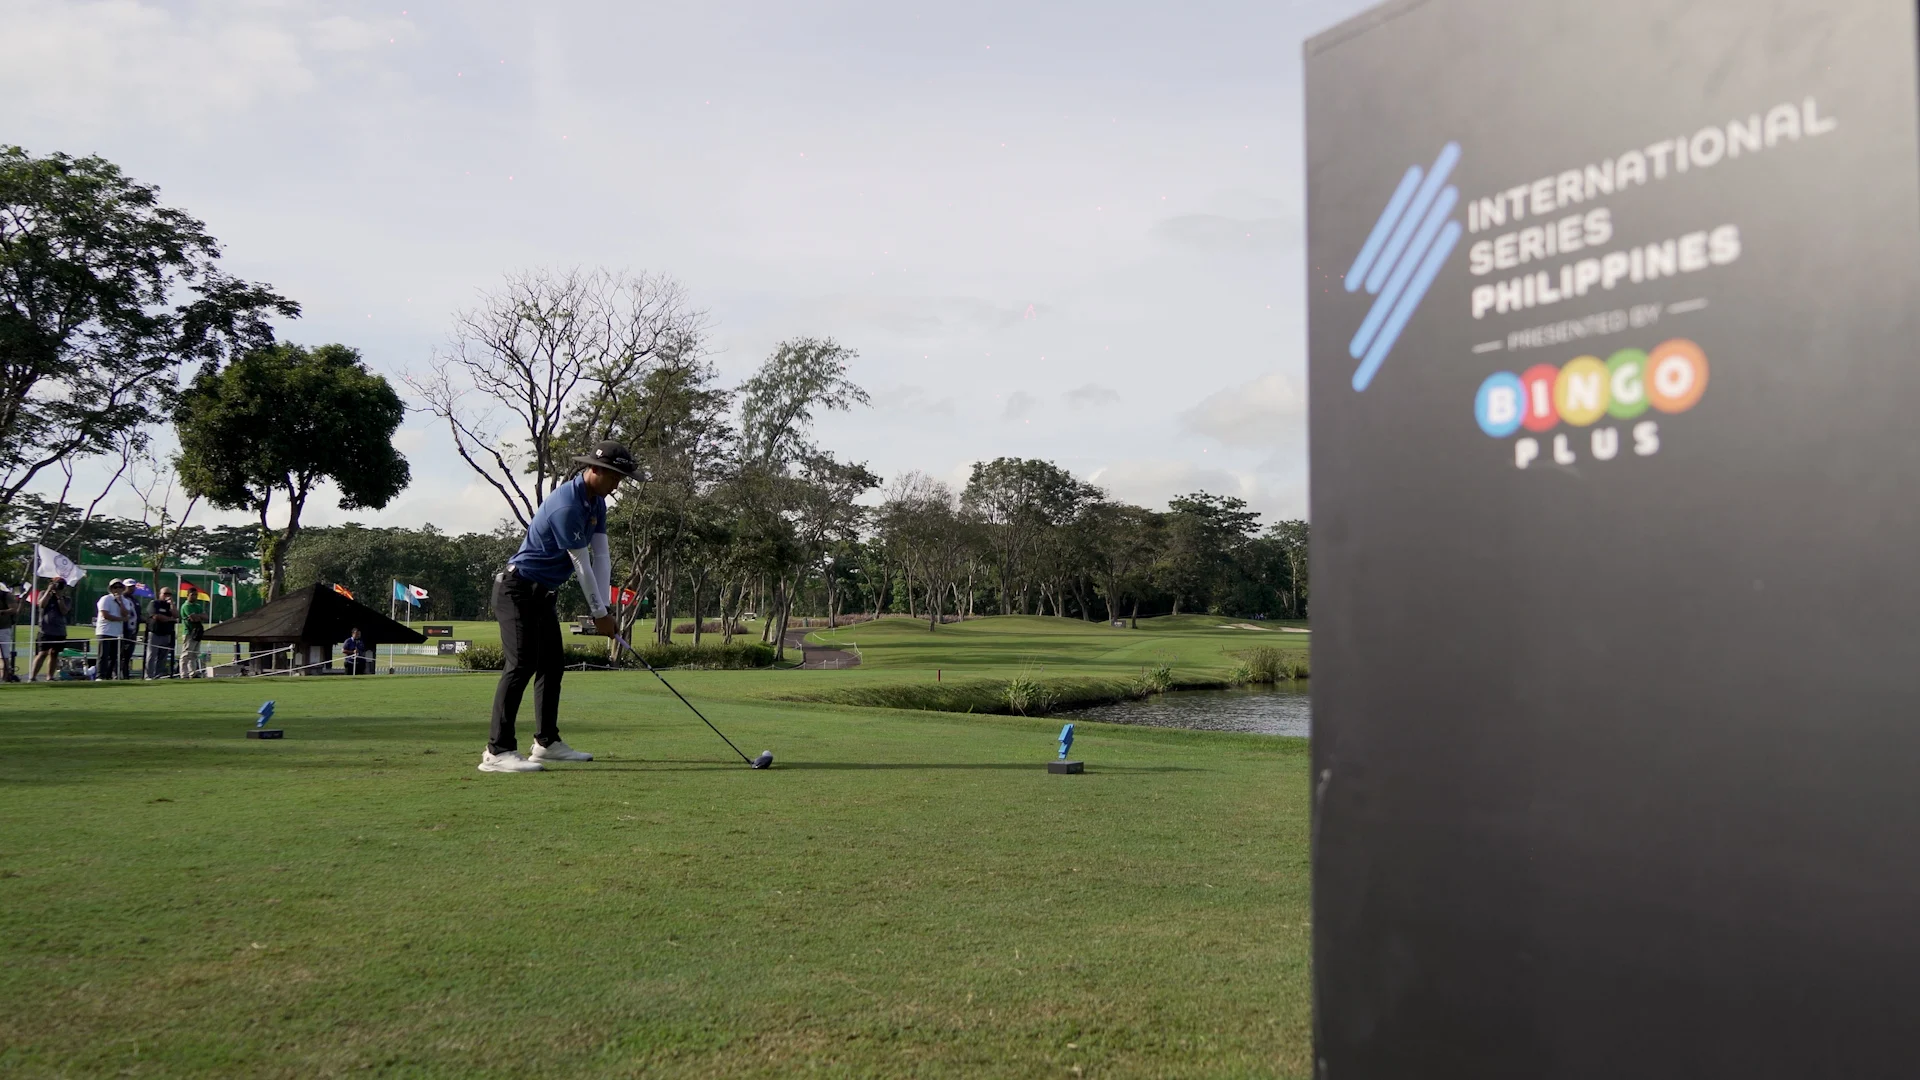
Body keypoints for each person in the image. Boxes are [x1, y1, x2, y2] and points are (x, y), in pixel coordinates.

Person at [481, 440, 639, 773]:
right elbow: (581, 564)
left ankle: (546, 743)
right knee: (520, 664)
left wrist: (606, 608)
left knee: (552, 666)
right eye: (613, 476)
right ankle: (497, 751)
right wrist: (599, 615)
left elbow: (602, 556)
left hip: (543, 595)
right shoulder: (567, 504)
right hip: (516, 590)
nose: (616, 485)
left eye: (620, 478)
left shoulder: (596, 503)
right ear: (593, 469)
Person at [29, 577, 72, 682]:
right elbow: (41, 604)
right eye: (57, 584)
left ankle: (50, 676)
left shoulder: (66, 599)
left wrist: (59, 597)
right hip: (45, 630)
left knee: (54, 653)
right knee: (42, 653)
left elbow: (64, 611)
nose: (58, 587)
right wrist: (49, 591)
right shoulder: (43, 593)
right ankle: (32, 677)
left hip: (59, 630)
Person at [95, 580, 134, 679]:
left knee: (114, 656)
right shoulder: (105, 599)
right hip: (104, 631)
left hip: (117, 633)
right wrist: (121, 619)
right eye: (115, 587)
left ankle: (108, 676)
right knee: (103, 655)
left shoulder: (125, 601)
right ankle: (100, 676)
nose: (117, 589)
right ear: (111, 589)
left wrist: (120, 602)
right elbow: (105, 615)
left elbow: (125, 614)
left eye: (120, 587)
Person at [145, 586, 178, 679]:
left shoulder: (169, 606)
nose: (167, 596)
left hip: (166, 634)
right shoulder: (154, 603)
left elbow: (176, 615)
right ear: (160, 594)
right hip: (155, 633)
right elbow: (156, 616)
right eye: (165, 594)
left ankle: (158, 674)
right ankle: (149, 675)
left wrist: (172, 604)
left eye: (169, 594)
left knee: (163, 656)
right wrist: (170, 619)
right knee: (151, 655)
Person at [181, 591, 208, 678]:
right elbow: (193, 618)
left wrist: (198, 616)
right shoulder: (186, 606)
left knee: (194, 655)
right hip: (189, 632)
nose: (194, 596)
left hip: (197, 633)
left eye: (196, 595)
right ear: (187, 595)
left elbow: (205, 617)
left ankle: (192, 673)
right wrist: (199, 616)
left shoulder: (198, 606)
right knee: (186, 654)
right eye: (192, 595)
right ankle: (183, 674)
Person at [120, 579, 143, 678]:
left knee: (128, 655)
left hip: (133, 631)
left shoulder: (135, 600)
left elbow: (138, 615)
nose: (131, 589)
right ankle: (116, 675)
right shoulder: (121, 599)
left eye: (133, 587)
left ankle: (125, 675)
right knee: (119, 655)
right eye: (129, 587)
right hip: (122, 631)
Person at [0, 582, 18, 683]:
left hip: (3, 628)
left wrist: (2, 612)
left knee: (4, 655)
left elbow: (14, 609)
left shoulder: (6, 595)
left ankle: (4, 678)